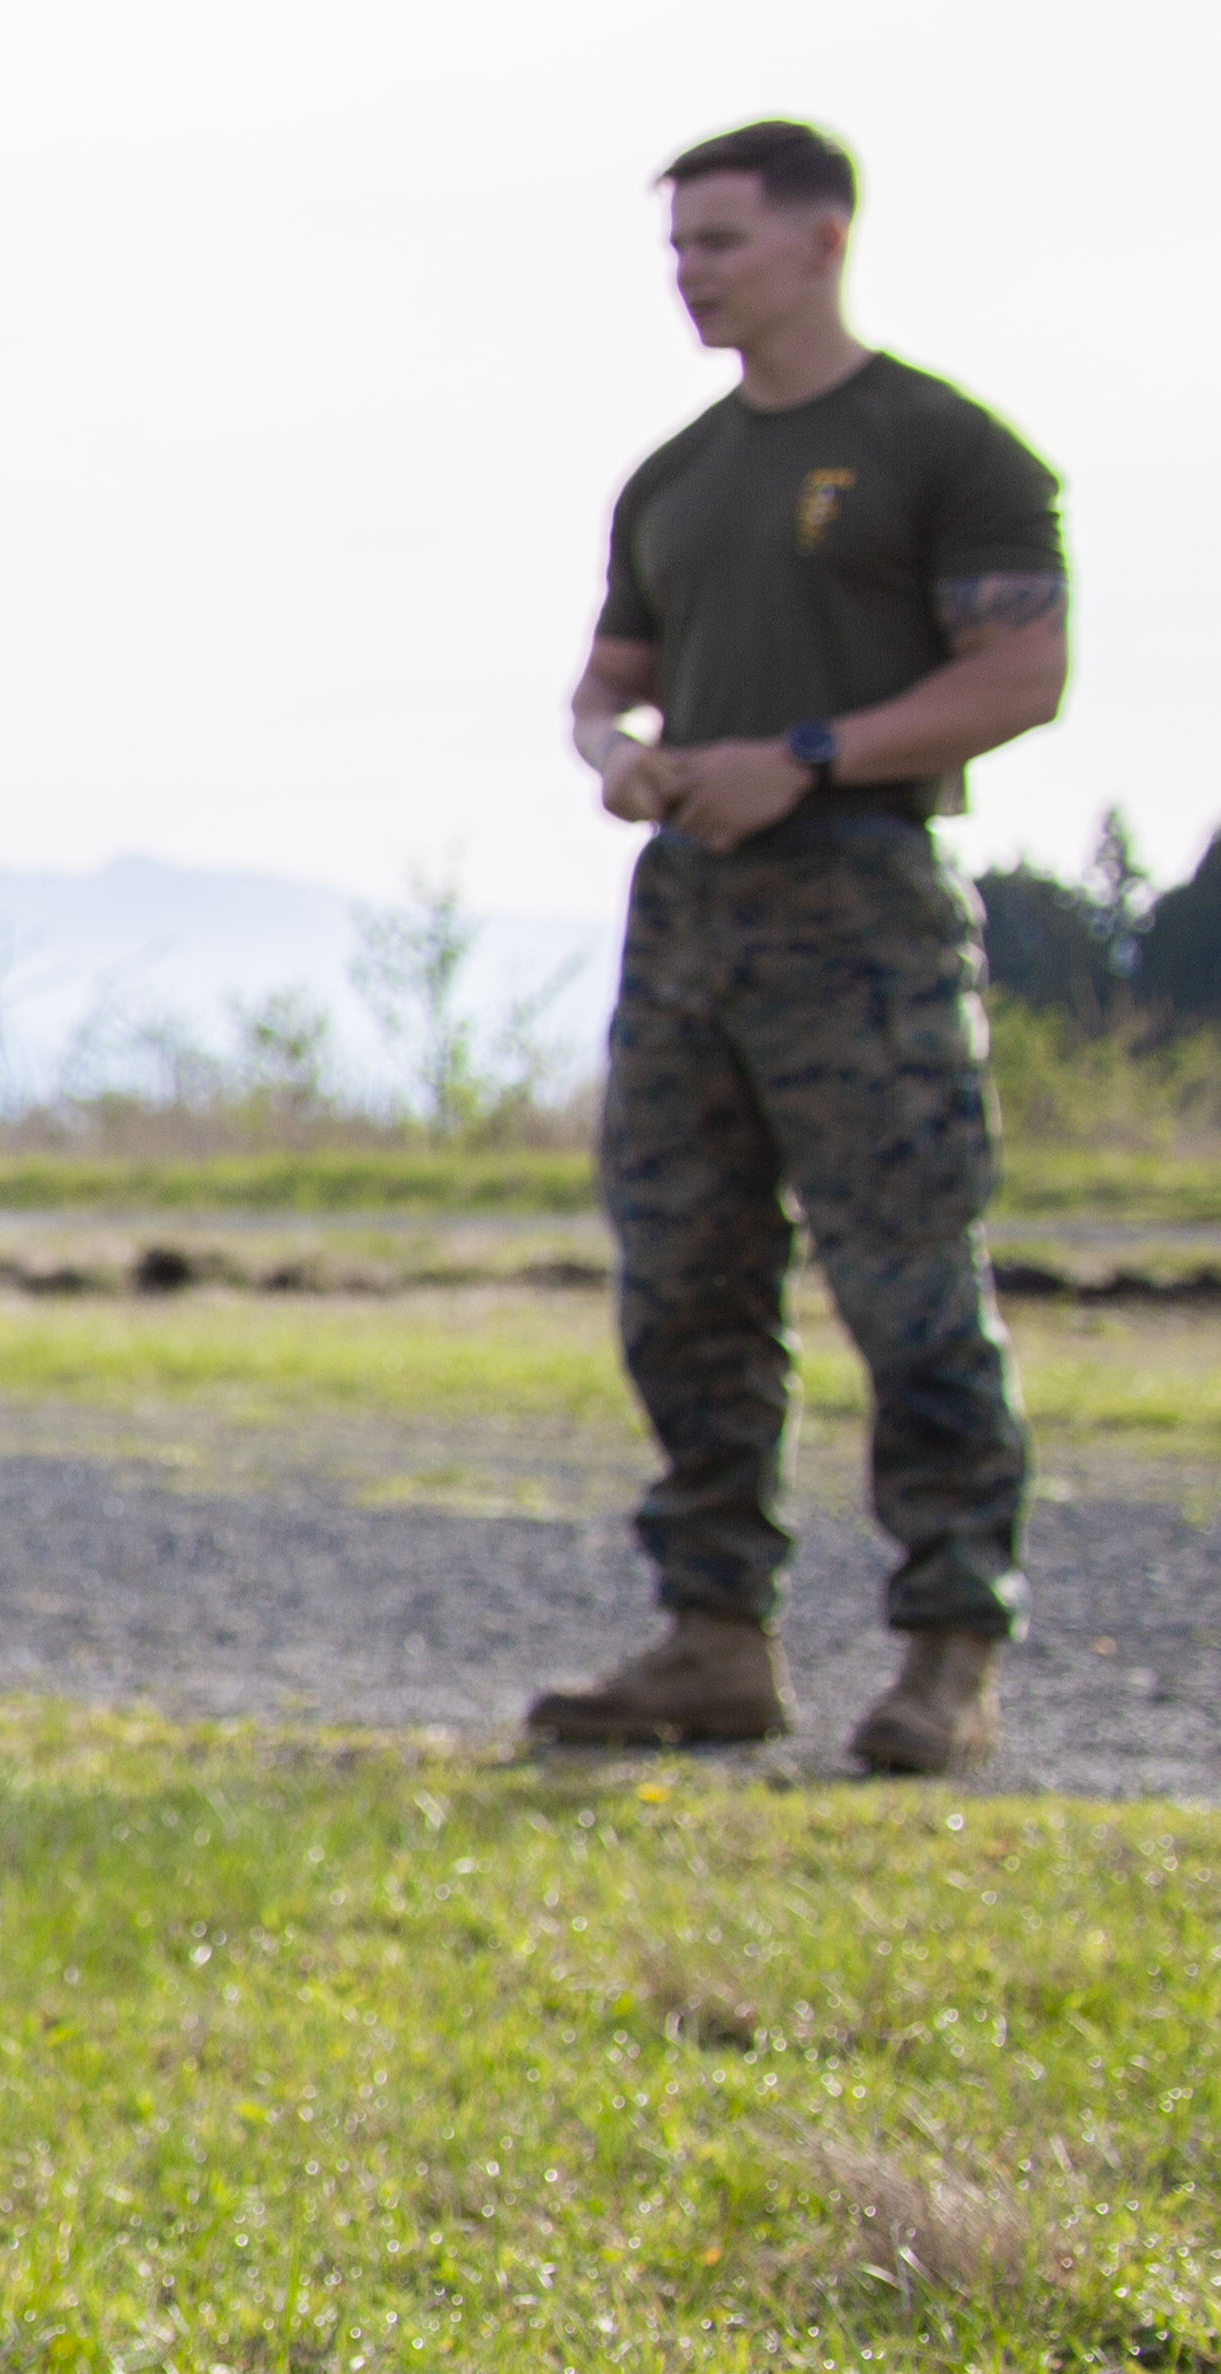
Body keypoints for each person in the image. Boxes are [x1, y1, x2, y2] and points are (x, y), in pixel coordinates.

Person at [532, 118, 1070, 1777]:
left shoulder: (937, 448)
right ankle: (711, 1636)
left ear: (820, 241)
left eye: (718, 242)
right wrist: (616, 750)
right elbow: (599, 681)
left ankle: (946, 1648)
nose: (689, 273)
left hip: (858, 900)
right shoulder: (676, 479)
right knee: (681, 1282)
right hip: (688, 906)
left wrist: (808, 755)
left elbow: (1017, 678)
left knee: (906, 1281)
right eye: (677, 246)